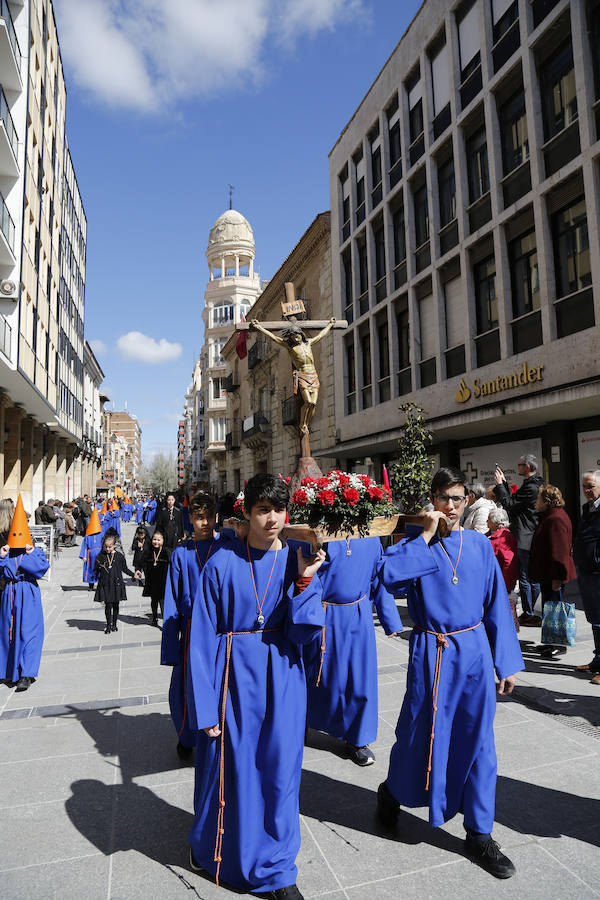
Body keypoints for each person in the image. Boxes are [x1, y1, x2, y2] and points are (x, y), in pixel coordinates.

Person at [375, 467, 523, 880]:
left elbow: (496, 605)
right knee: (416, 735)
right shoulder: (415, 543)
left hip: (474, 652)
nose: (452, 507)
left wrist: (506, 661)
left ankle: (479, 834)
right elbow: (387, 578)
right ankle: (393, 792)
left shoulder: (478, 546)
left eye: (458, 498)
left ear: (467, 500)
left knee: (479, 742)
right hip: (432, 653)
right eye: (444, 498)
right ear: (432, 500)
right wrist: (423, 534)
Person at [187, 474, 326, 898]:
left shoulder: (298, 559)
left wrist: (303, 582)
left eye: (278, 510)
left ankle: (278, 869)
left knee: (281, 773)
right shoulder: (222, 561)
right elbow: (201, 636)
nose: (272, 519)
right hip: (232, 679)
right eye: (263, 510)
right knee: (230, 770)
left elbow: (306, 633)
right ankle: (215, 851)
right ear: (247, 513)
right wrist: (206, 707)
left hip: (282, 678)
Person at [303, 536, 402, 766]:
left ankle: (358, 741)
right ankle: (301, 725)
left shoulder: (371, 538)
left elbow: (379, 578)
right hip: (323, 614)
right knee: (317, 676)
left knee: (359, 680)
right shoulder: (318, 535)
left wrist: (390, 619)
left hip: (359, 615)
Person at [161, 491, 222, 760]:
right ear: (191, 520)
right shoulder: (181, 554)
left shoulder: (226, 547)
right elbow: (172, 603)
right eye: (199, 517)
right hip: (192, 630)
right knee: (186, 688)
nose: (205, 523)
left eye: (209, 517)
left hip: (220, 630)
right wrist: (170, 649)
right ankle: (186, 736)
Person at [250, 317, 336, 434]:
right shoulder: (290, 347)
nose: (296, 337)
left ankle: (306, 422)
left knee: (313, 404)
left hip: (313, 375)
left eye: (297, 335)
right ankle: (303, 424)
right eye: (293, 336)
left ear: (301, 334)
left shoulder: (308, 343)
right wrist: (259, 327)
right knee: (308, 402)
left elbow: (321, 335)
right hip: (303, 375)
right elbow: (274, 338)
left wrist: (330, 325)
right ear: (290, 337)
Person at [0, 495, 49, 691]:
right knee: (7, 631)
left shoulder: (32, 549)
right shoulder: (6, 549)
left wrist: (31, 554)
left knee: (28, 632)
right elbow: (4, 570)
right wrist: (2, 557)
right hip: (9, 592)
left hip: (27, 592)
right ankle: (9, 670)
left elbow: (41, 568)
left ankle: (27, 673)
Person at [493, 454, 544, 625]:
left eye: (520, 464)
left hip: (526, 536)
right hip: (527, 535)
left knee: (527, 577)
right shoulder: (535, 484)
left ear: (527, 467)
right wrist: (505, 483)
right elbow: (513, 502)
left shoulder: (532, 487)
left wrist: (500, 485)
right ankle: (532, 612)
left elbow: (509, 504)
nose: (518, 467)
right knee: (528, 576)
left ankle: (534, 614)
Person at [528, 484, 577, 659]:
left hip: (554, 574)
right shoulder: (550, 516)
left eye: (539, 498)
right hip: (548, 572)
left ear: (546, 501)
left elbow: (560, 551)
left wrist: (558, 578)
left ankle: (558, 644)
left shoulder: (555, 519)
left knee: (555, 608)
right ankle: (550, 641)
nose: (536, 501)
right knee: (550, 608)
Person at [573, 471, 600, 684]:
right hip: (586, 570)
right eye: (584, 486)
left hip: (597, 570)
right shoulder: (587, 509)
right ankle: (598, 659)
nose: (587, 490)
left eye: (590, 486)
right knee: (594, 618)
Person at [94, 531, 135, 635]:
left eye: (110, 547)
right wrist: (98, 566)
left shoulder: (119, 556)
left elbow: (125, 569)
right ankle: (108, 625)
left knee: (116, 604)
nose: (107, 549)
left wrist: (133, 574)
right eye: (106, 547)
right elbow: (96, 569)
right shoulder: (101, 555)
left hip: (116, 584)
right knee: (108, 605)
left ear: (114, 545)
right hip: (105, 584)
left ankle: (114, 624)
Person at [487, 506, 519, 632]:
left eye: (488, 519)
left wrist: (506, 586)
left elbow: (508, 563)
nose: (486, 522)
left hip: (501, 585)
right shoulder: (495, 535)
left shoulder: (504, 537)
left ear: (496, 521)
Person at [136, 528, 170, 626]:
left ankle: (165, 621)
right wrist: (138, 570)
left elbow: (173, 565)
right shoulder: (148, 551)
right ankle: (154, 618)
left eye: (159, 540)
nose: (156, 542)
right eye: (154, 539)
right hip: (151, 580)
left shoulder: (166, 551)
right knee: (153, 600)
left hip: (163, 580)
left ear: (163, 540)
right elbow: (141, 562)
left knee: (162, 601)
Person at [80, 507, 103, 591]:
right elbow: (84, 546)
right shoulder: (87, 536)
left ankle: (100, 584)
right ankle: (91, 585)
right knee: (90, 569)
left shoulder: (101, 534)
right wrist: (83, 555)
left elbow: (104, 544)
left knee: (100, 569)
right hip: (90, 555)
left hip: (100, 553)